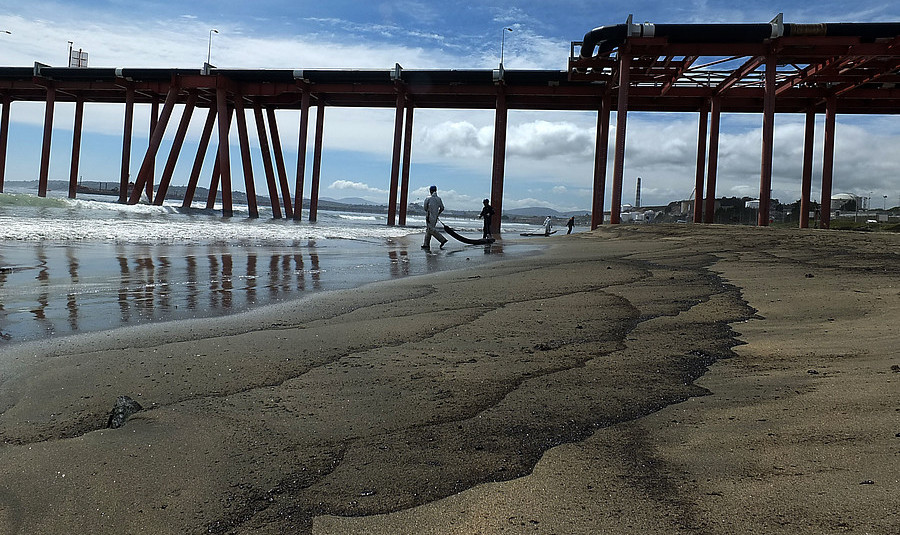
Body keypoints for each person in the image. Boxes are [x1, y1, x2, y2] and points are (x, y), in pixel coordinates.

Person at [422, 185, 448, 250]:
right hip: (435, 217)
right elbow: (442, 208)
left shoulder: (428, 198)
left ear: (430, 191)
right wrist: (438, 213)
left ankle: (442, 240)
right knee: (429, 230)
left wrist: (428, 212)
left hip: (429, 216)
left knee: (431, 229)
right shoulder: (439, 199)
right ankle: (426, 244)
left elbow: (425, 208)